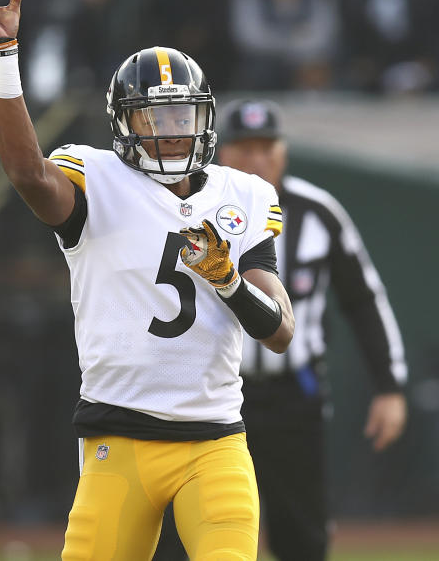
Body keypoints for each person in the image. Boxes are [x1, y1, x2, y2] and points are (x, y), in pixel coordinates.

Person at [0, 0, 295, 560]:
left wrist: (229, 282)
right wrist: (3, 54)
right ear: (125, 123)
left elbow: (279, 331)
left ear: (204, 119)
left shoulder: (243, 194)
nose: (171, 134)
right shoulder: (96, 179)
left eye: (181, 117)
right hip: (118, 437)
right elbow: (25, 173)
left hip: (215, 441)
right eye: (154, 119)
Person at [155, 99, 407, 561]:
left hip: (292, 394)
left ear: (284, 151)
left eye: (266, 146)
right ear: (219, 150)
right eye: (244, 147)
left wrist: (389, 385)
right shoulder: (185, 208)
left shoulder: (319, 212)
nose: (257, 159)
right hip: (205, 394)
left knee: (302, 535)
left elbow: (364, 299)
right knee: (186, 533)